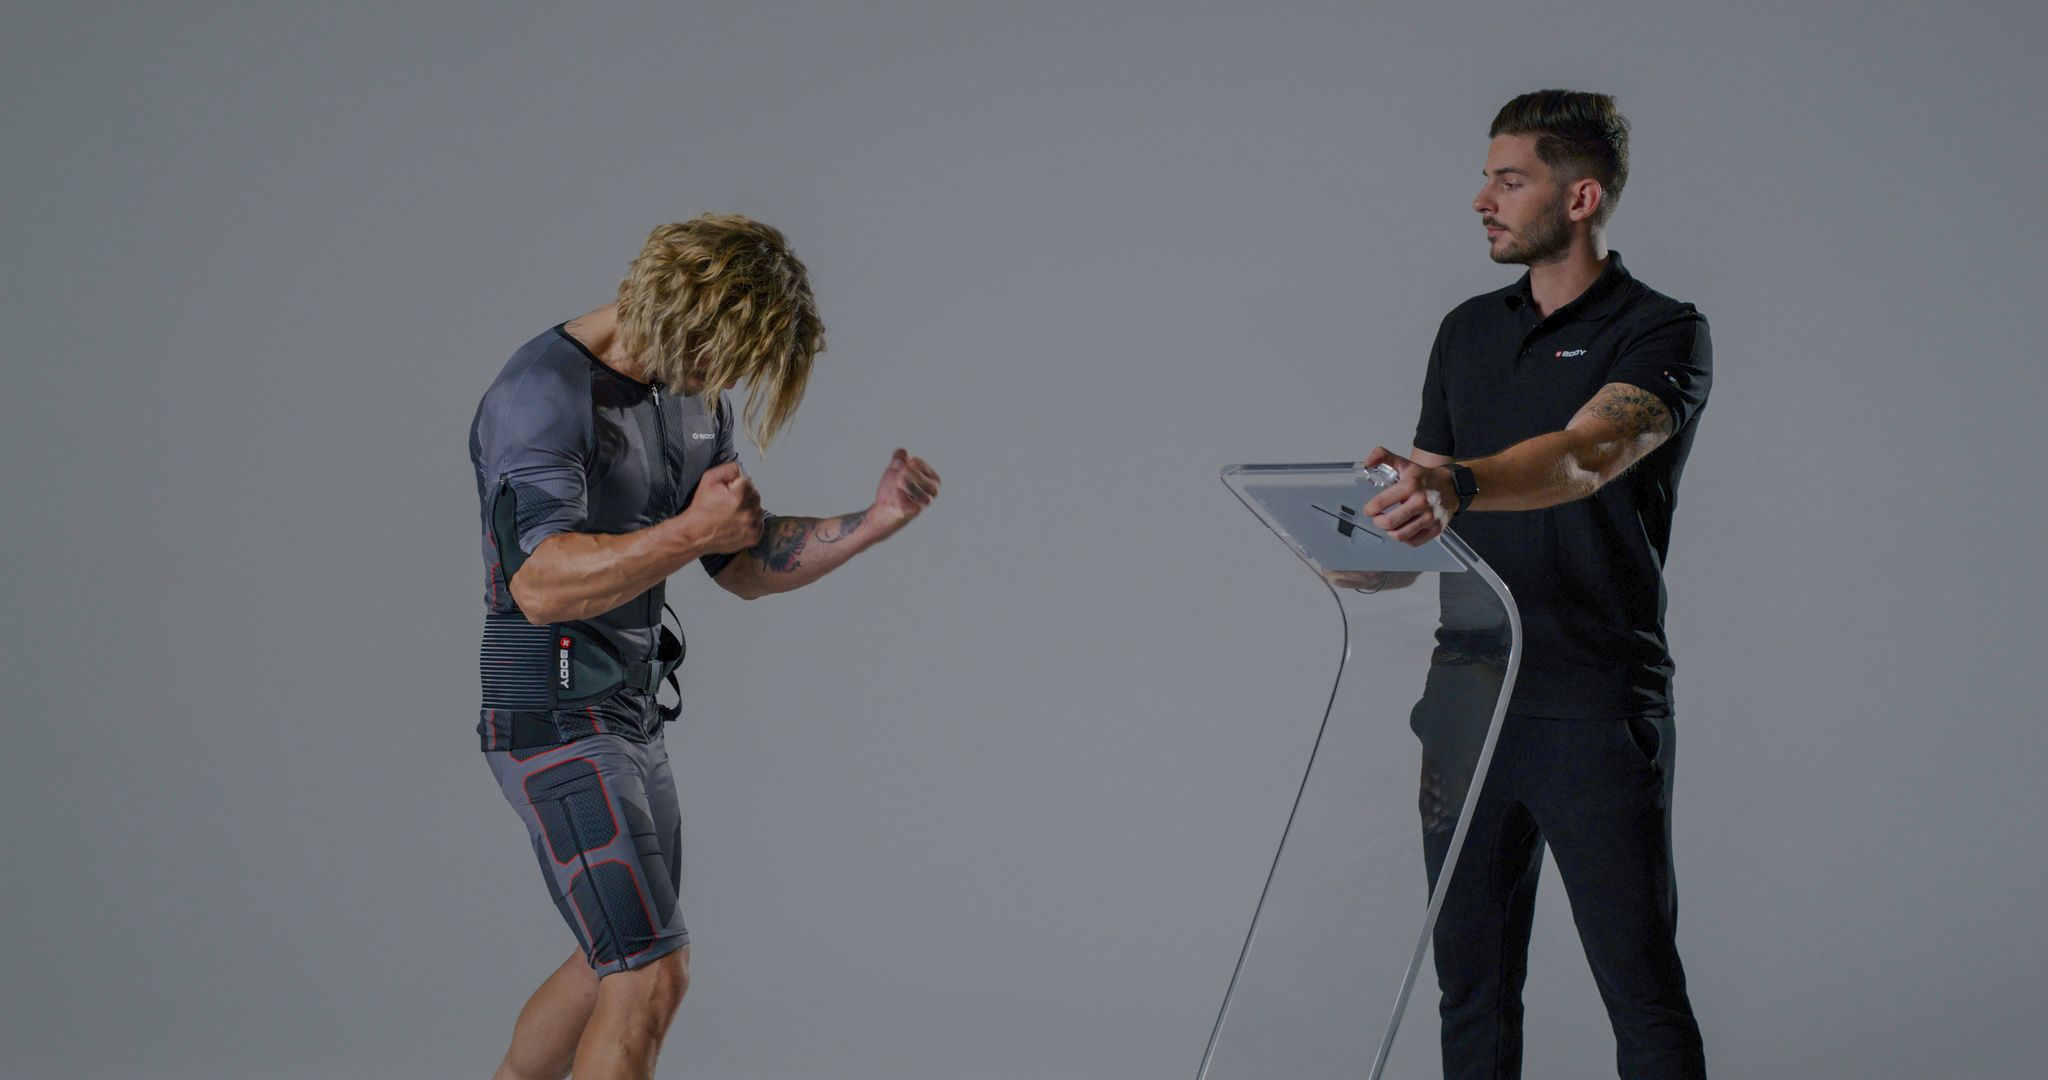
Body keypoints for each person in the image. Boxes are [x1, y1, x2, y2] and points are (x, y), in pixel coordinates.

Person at [467, 215, 941, 1080]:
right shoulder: (542, 395)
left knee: (610, 962)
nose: (726, 379)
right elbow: (540, 585)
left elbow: (742, 564)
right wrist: (690, 530)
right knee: (650, 973)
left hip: (631, 717)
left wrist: (871, 523)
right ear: (681, 311)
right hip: (553, 717)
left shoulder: (690, 397)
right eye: (723, 354)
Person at [1360, 90, 1713, 1078]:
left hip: (1591, 701)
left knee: (1641, 995)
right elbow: (1429, 498)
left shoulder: (1661, 331)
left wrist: (1454, 486)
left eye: (1508, 181)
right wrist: (1369, 541)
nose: (1482, 200)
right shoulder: (1466, 331)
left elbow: (1586, 456)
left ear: (1579, 197)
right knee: (1469, 990)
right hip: (1466, 698)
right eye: (1485, 179)